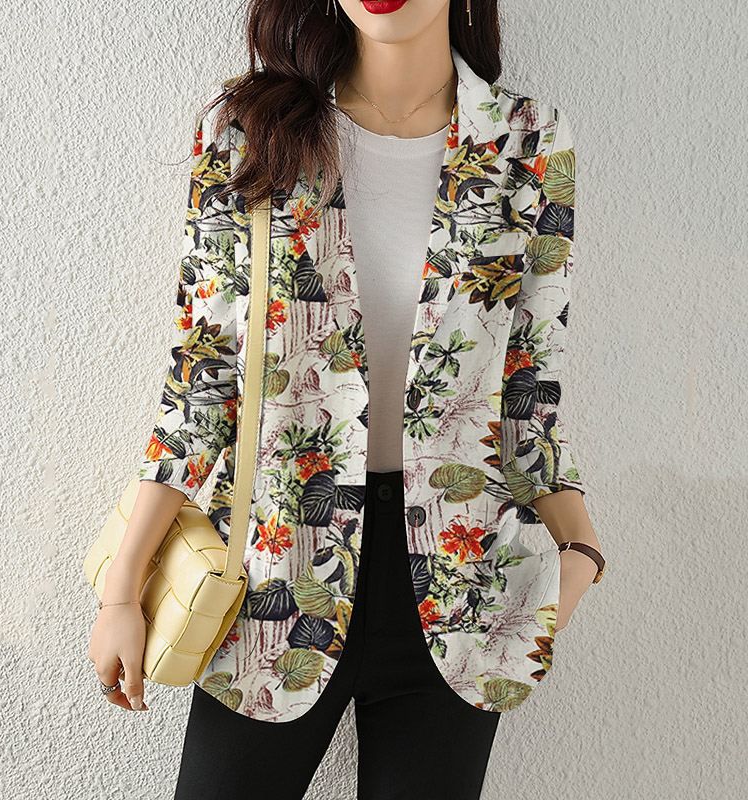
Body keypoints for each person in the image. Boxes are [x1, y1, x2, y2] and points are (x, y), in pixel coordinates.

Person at [87, 1, 607, 797]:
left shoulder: (528, 141)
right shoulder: (250, 132)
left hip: (463, 591)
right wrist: (122, 589)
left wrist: (581, 555)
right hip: (272, 581)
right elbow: (203, 377)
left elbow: (529, 390)